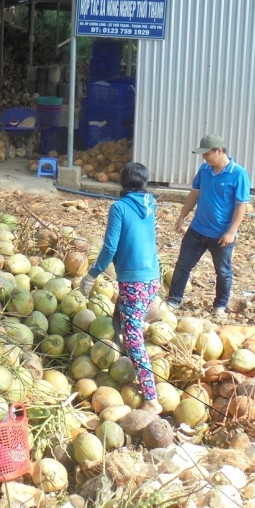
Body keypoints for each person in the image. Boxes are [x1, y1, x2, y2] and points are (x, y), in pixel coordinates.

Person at [81, 162, 163, 415]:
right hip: (152, 277)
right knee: (126, 317)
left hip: (135, 280)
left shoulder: (119, 208)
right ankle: (124, 363)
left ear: (122, 182)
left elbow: (110, 247)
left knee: (133, 335)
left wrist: (92, 274)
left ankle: (151, 398)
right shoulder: (150, 205)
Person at [165, 134, 250, 319]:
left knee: (223, 271)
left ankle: (220, 306)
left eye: (207, 154)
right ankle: (174, 299)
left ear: (219, 151)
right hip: (197, 230)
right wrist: (182, 216)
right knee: (182, 266)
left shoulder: (238, 174)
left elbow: (241, 205)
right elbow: (194, 194)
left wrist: (231, 232)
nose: (205, 158)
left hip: (221, 234)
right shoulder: (205, 169)